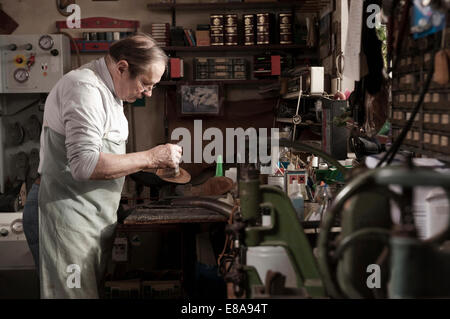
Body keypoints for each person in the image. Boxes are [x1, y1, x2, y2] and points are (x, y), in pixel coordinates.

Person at [33, 34, 181, 299]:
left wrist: (151, 167)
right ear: (122, 67)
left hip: (93, 218)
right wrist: (152, 157)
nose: (148, 92)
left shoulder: (111, 92)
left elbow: (105, 155)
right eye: (146, 84)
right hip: (69, 218)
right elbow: (85, 165)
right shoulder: (84, 89)